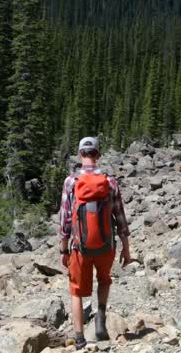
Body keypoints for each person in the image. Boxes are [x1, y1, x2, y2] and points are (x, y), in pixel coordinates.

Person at [58, 136, 132, 349]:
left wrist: (64, 249)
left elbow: (65, 221)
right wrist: (126, 250)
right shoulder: (110, 182)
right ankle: (100, 315)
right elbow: (120, 219)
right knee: (104, 279)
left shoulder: (71, 182)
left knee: (76, 291)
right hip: (106, 246)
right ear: (98, 155)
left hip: (80, 247)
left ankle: (80, 338)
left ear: (81, 154)